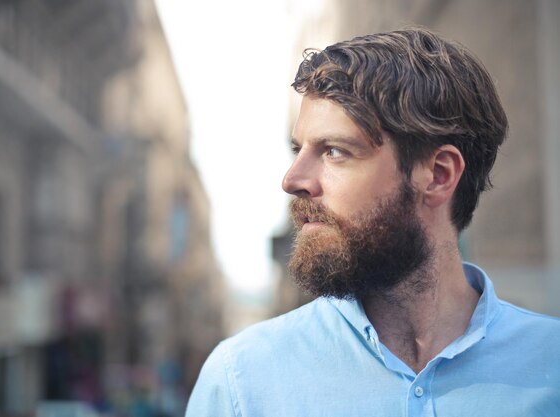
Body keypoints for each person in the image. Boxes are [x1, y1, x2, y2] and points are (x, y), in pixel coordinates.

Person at [186, 28, 560, 416]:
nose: (292, 180)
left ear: (438, 175)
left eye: (334, 151)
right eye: (299, 149)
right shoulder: (242, 383)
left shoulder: (550, 365)